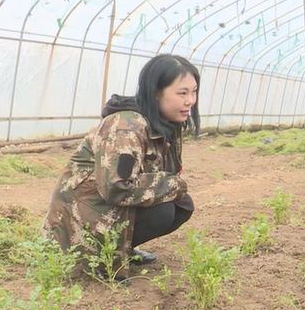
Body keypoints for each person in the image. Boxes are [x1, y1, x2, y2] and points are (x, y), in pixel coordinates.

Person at [43, 54, 199, 280]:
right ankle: (92, 258)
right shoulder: (126, 127)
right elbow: (116, 187)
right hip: (81, 214)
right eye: (182, 93)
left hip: (104, 208)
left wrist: (172, 186)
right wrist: (173, 183)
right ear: (156, 92)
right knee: (164, 210)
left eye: (194, 92)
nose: (190, 101)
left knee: (180, 205)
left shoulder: (164, 124)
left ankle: (122, 249)